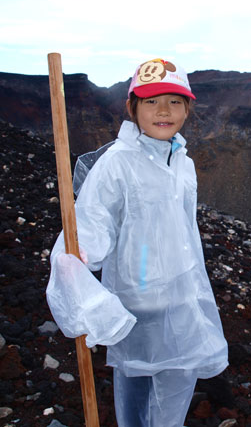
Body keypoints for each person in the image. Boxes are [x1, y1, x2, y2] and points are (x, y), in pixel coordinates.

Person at [46, 58, 229, 426]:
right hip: (137, 311)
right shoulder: (117, 164)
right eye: (151, 101)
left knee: (172, 407)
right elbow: (93, 220)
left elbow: (183, 231)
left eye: (175, 101)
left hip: (182, 303)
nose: (164, 111)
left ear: (188, 108)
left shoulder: (183, 162)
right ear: (133, 108)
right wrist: (81, 252)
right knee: (136, 405)